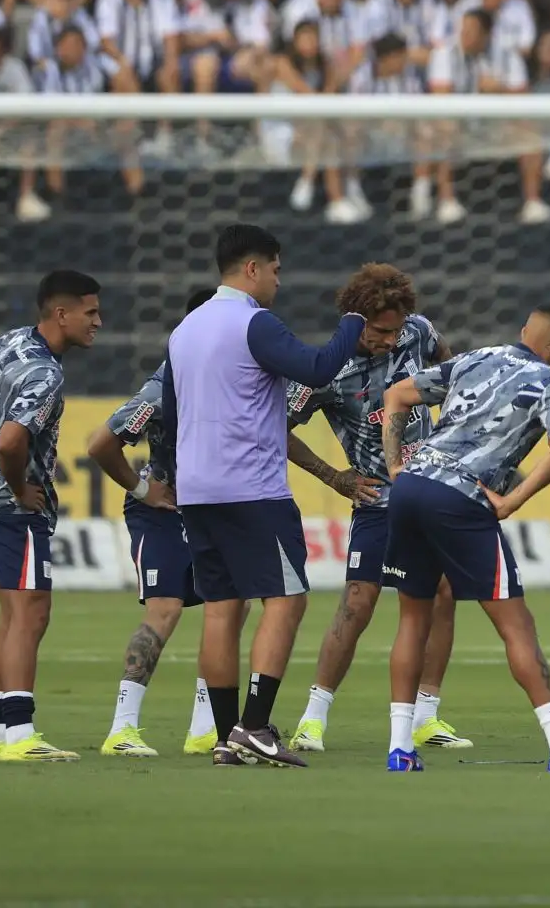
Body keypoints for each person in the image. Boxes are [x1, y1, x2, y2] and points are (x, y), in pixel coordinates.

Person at [378, 305, 550, 774]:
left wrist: (395, 466)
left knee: (413, 619)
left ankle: (400, 748)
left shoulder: (475, 358)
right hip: (461, 499)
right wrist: (512, 501)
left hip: (411, 489)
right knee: (516, 626)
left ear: (525, 331)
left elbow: (397, 395)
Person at [163, 225, 367, 767]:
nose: (279, 280)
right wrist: (354, 320)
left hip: (198, 488)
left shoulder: (184, 330)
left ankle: (226, 736)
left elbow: (171, 412)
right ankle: (254, 726)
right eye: (275, 269)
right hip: (250, 487)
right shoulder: (252, 322)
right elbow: (318, 368)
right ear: (252, 268)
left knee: (221, 609)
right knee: (287, 598)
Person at [284, 265, 468, 754]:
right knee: (358, 602)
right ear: (356, 321)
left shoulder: (418, 332)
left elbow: (448, 363)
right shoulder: (325, 368)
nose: (391, 339)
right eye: (380, 331)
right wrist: (333, 476)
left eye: (396, 328)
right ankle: (313, 718)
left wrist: (451, 412)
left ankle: (426, 715)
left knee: (444, 593)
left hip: (430, 491)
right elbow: (276, 426)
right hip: (377, 500)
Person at [0, 270, 102, 762]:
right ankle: (21, 733)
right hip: (13, 505)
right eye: (90, 312)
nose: (98, 322)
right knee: (32, 611)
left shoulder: (15, 341)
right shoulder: (46, 374)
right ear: (61, 314)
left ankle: (0, 732)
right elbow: (10, 443)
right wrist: (21, 485)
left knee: (11, 614)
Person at [86, 287, 222, 758]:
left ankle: (206, 727)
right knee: (165, 608)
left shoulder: (240, 375)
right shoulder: (165, 385)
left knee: (228, 609)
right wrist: (143, 490)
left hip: (214, 509)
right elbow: (102, 442)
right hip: (164, 512)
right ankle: (122, 728)